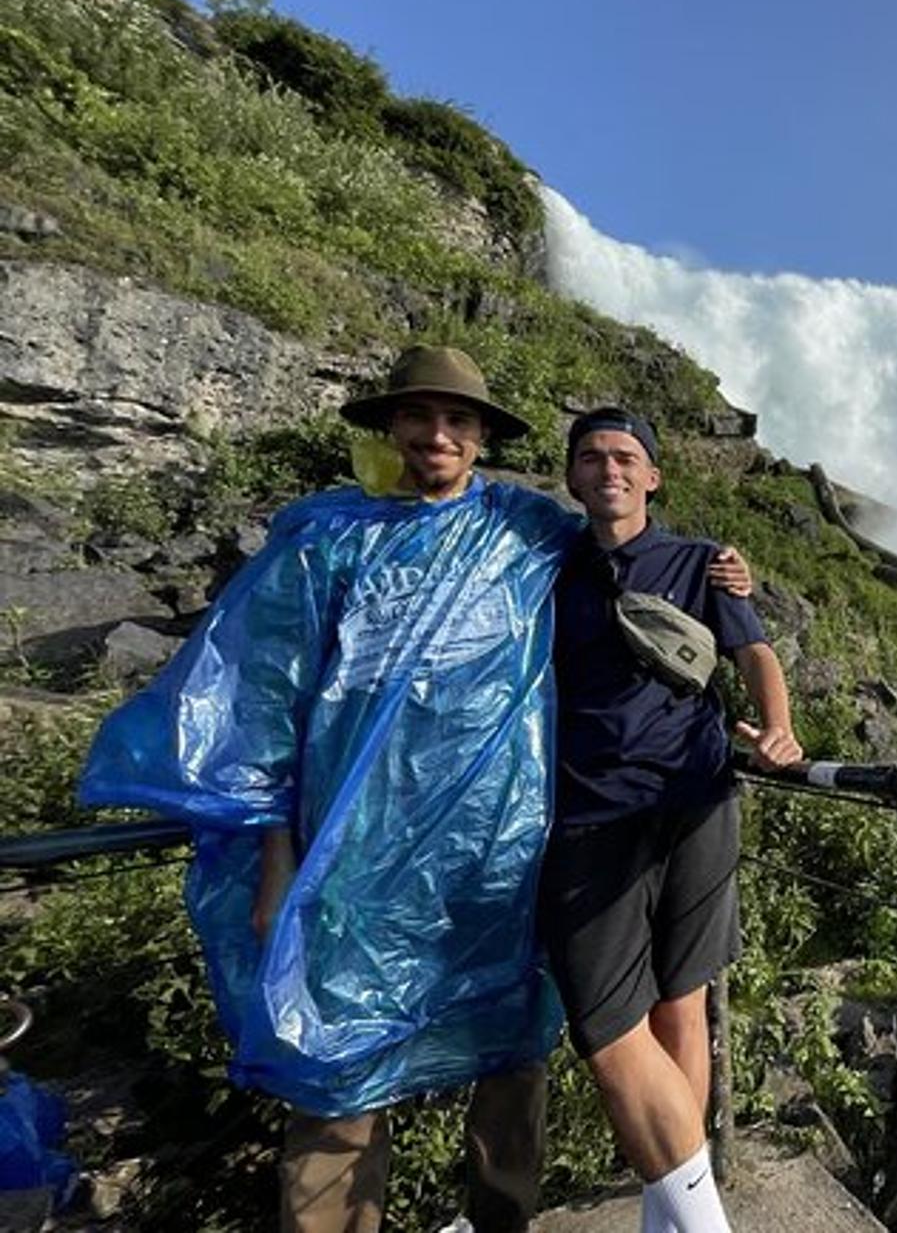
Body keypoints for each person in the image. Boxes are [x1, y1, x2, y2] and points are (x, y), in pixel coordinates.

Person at [81, 347, 572, 1232]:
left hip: (493, 851)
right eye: (420, 417)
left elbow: (633, 554)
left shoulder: (528, 531)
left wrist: (726, 587)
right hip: (349, 859)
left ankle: (507, 1221)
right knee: (332, 1064)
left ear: (483, 437)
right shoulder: (328, 540)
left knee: (510, 1057)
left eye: (458, 420)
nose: (437, 436)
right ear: (391, 428)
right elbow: (265, 705)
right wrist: (278, 860)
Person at [538, 407, 801, 1233]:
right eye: (591, 457)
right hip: (587, 816)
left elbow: (754, 651)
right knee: (606, 1027)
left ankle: (671, 1215)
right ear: (573, 479)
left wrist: (778, 723)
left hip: (695, 803)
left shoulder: (702, 564)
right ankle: (704, 1219)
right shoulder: (546, 567)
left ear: (653, 476)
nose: (608, 468)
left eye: (625, 456)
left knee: (680, 1005)